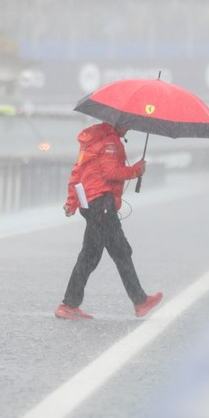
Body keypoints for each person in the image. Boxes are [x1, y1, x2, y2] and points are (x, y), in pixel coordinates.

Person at [55, 122, 163, 320]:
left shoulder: (91, 141)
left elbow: (77, 173)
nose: (129, 129)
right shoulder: (111, 143)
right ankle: (140, 301)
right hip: (102, 204)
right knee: (120, 252)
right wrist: (136, 171)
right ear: (118, 124)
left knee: (90, 255)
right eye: (127, 125)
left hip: (90, 204)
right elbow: (111, 172)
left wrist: (72, 201)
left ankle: (70, 304)